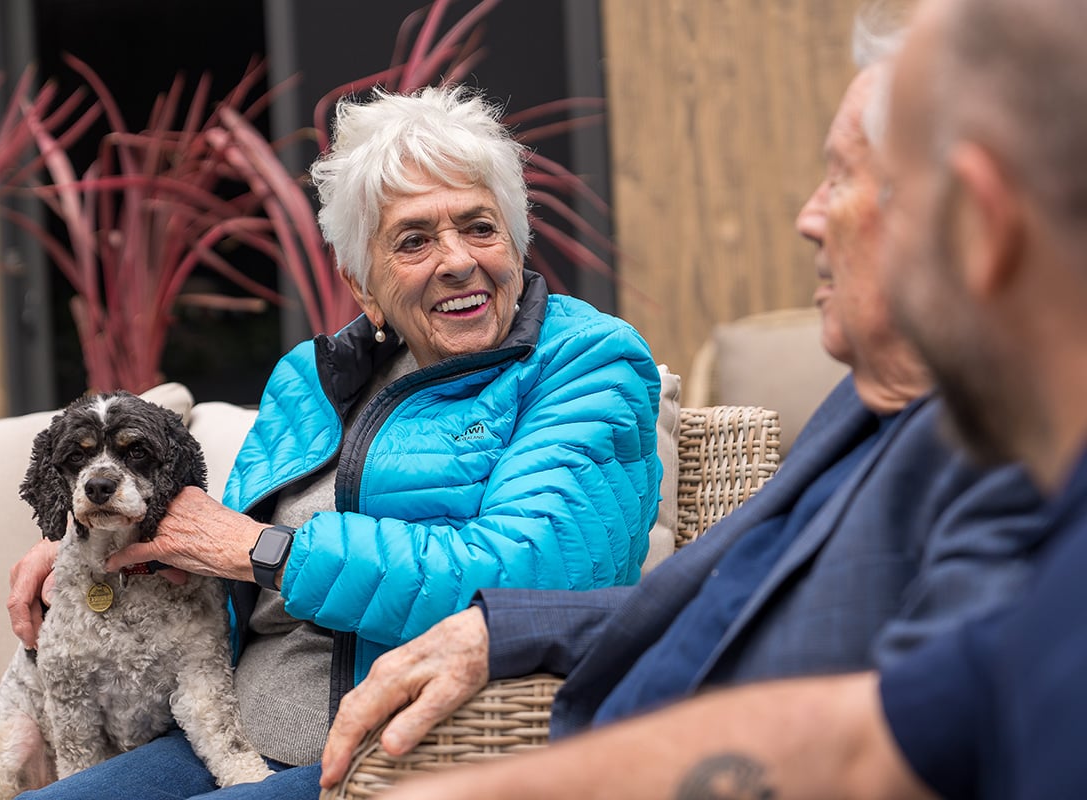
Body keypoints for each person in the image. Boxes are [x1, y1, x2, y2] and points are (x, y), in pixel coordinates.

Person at [325, 0, 1087, 797]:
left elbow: (897, 741)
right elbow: (724, 603)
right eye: (412, 239)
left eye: (846, 176)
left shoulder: (1003, 447)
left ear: (980, 226)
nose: (808, 218)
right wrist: (499, 628)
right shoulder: (868, 403)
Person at [6, 85, 664, 799]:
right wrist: (97, 542)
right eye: (413, 239)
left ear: (515, 238)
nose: (456, 260)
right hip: (237, 739)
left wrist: (264, 552)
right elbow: (207, 544)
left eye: (480, 227)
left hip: (415, 750)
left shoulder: (587, 363)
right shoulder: (309, 380)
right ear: (364, 285)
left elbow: (529, 574)